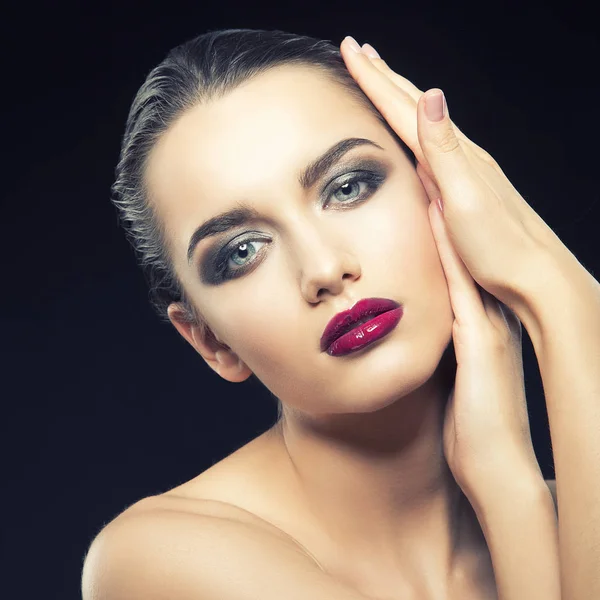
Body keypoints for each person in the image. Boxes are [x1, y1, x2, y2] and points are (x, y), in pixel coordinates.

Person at [81, 28, 563, 600]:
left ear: (445, 191)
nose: (324, 269)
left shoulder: (576, 513)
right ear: (211, 341)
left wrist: (548, 285)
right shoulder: (164, 557)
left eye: (349, 187)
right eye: (242, 251)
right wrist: (510, 493)